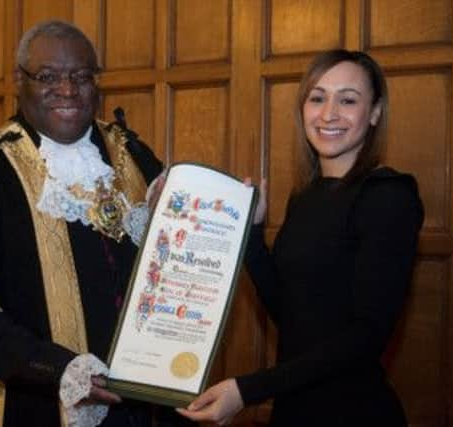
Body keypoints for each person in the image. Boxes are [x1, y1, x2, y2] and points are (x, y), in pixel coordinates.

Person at [0, 20, 182, 427]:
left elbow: (175, 257)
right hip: (38, 406)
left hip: (146, 406)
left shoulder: (134, 154)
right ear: (18, 81)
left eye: (82, 76)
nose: (67, 90)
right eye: (48, 77)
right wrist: (60, 370)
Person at [177, 49, 424, 426]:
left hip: (354, 412)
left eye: (348, 100)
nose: (329, 114)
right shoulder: (304, 196)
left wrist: (248, 390)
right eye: (317, 97)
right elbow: (291, 315)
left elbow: (365, 337)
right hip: (295, 410)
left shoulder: (388, 196)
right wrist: (252, 234)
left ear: (374, 113)